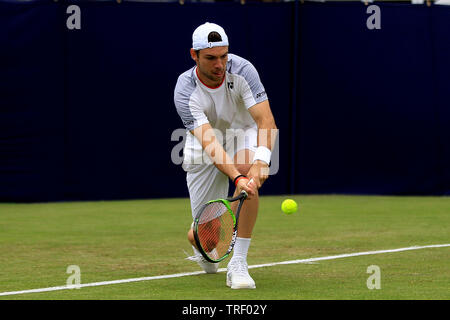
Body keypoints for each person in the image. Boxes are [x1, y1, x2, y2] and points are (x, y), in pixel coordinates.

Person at [173, 22, 277, 289]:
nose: (219, 64)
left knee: (248, 177)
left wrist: (260, 161)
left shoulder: (243, 70)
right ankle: (200, 237)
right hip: (205, 144)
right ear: (194, 55)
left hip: (242, 132)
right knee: (207, 245)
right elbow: (210, 144)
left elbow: (265, 120)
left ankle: (239, 263)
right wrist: (237, 177)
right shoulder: (185, 89)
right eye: (210, 58)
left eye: (223, 56)